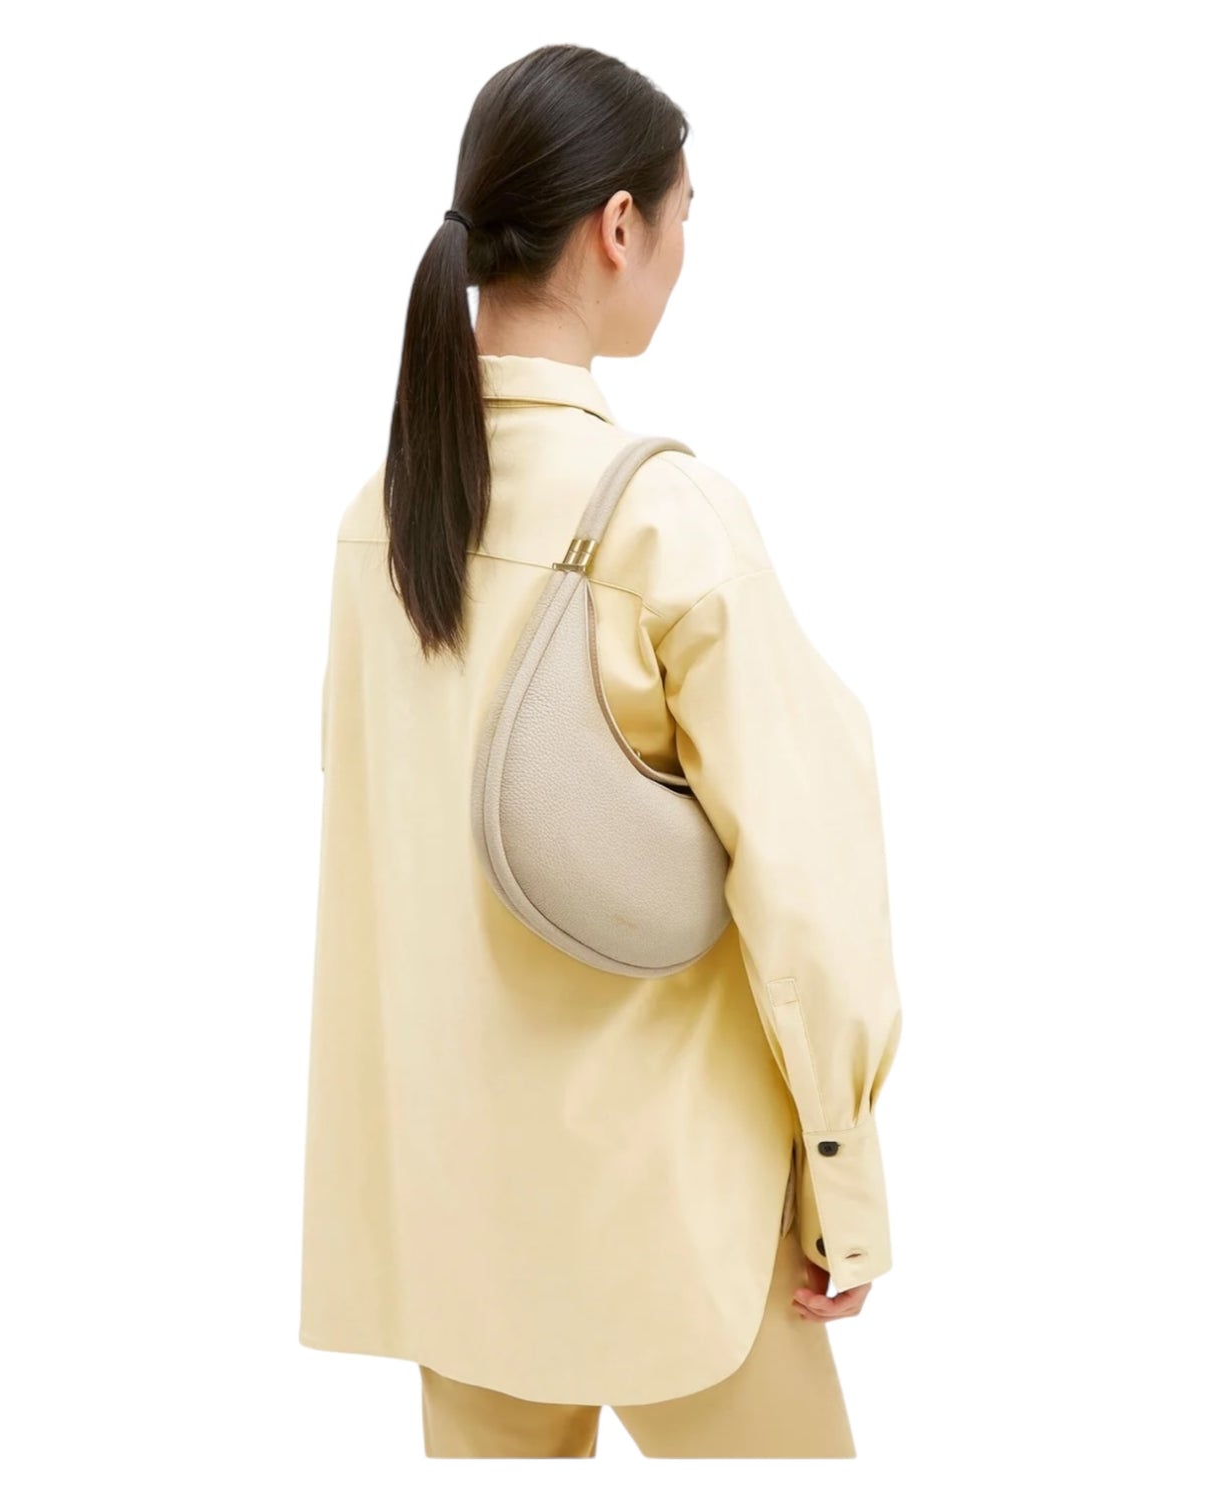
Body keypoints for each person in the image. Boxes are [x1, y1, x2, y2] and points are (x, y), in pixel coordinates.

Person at [298, 42, 904, 1460]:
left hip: (455, 1227)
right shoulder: (662, 518)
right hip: (673, 1220)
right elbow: (807, 886)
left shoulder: (379, 518)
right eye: (685, 214)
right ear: (617, 225)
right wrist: (842, 1175)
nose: (686, 250)